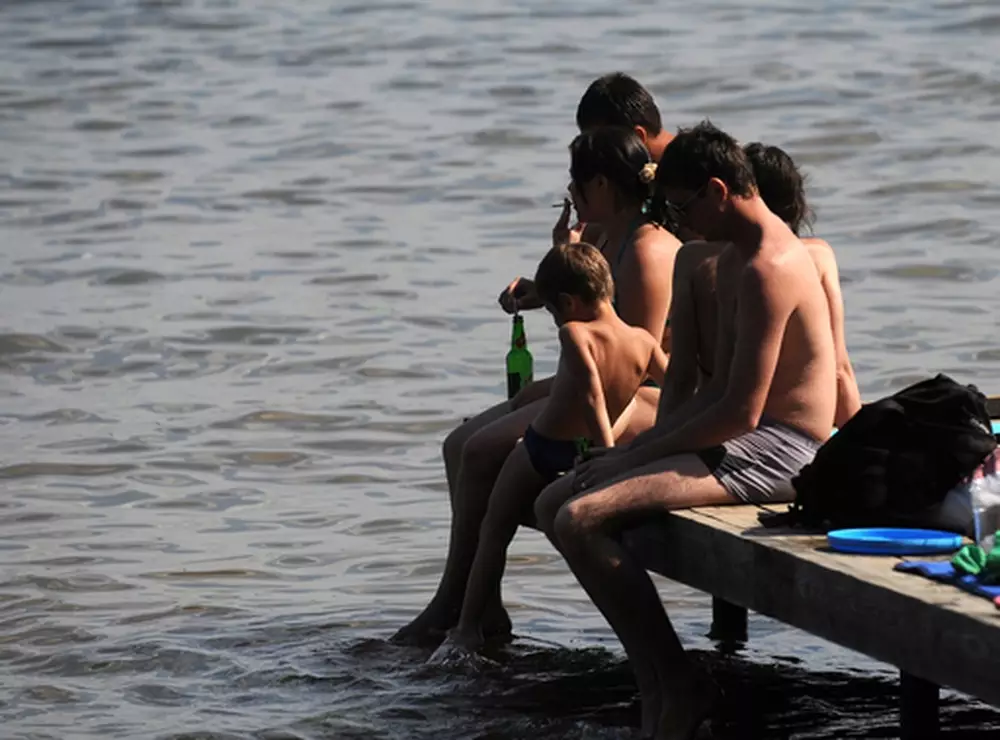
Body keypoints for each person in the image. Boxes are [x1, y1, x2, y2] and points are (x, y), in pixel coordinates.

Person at [534, 122, 839, 739]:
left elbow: (740, 414)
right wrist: (641, 448)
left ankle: (677, 681)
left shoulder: (769, 267)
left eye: (684, 208)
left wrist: (633, 456)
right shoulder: (730, 257)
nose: (681, 223)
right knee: (551, 502)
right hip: (743, 436)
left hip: (784, 449)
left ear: (718, 191)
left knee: (579, 517)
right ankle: (656, 681)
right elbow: (708, 391)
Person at [392, 119, 681, 646]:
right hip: (599, 382)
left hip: (634, 398)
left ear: (600, 184)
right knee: (459, 444)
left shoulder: (647, 251)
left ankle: (459, 609)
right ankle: (475, 604)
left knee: (481, 450)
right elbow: (590, 312)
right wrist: (542, 287)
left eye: (575, 183)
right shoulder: (603, 235)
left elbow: (626, 361)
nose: (569, 193)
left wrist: (600, 446)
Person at [429, 242, 667, 657]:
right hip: (584, 451)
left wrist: (607, 451)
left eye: (554, 310)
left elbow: (591, 394)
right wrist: (617, 450)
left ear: (569, 304)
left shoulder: (575, 333)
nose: (556, 319)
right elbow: (675, 388)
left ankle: (468, 628)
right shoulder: (644, 340)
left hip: (542, 448)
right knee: (496, 525)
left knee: (494, 529)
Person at [661, 142, 861, 427]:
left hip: (713, 418)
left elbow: (681, 377)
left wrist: (655, 440)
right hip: (779, 428)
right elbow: (839, 370)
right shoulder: (814, 257)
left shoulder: (692, 260)